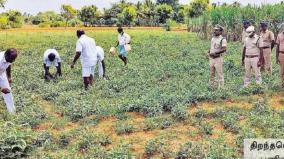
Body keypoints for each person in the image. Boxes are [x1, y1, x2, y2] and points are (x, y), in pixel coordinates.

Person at [0, 49, 17, 113]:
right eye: (11, 60)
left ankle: (12, 112)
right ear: (6, 56)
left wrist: (9, 77)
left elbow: (8, 64)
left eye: (13, 59)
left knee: (8, 92)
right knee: (4, 90)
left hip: (1, 73)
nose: (13, 61)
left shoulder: (9, 57)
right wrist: (1, 89)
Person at [276, 23, 284, 88]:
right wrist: (277, 57)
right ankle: (282, 84)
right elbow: (277, 47)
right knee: (282, 70)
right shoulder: (279, 35)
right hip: (281, 54)